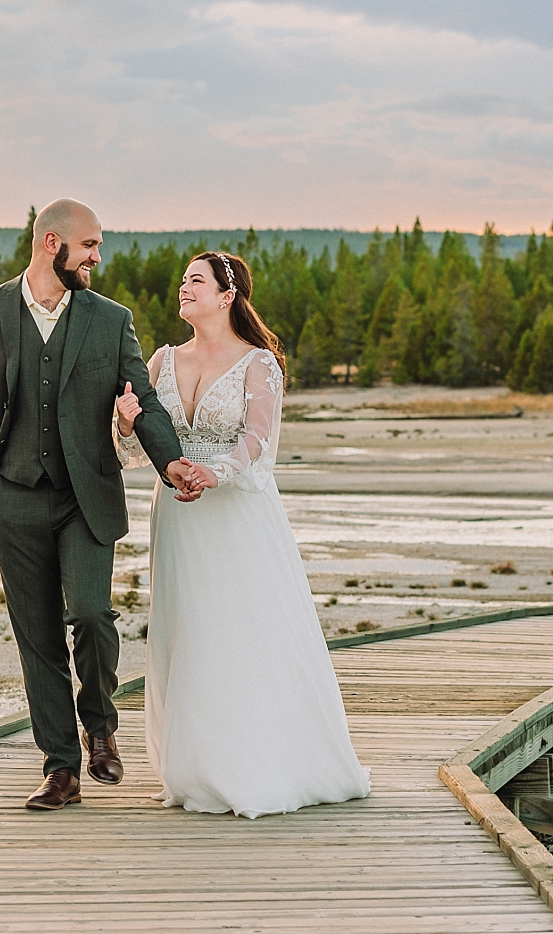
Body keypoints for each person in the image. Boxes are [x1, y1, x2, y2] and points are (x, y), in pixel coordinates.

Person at [0, 198, 199, 811]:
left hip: (85, 497)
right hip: (13, 498)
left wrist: (171, 463)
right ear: (51, 243)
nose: (96, 258)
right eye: (89, 247)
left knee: (89, 615)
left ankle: (101, 726)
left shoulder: (110, 320)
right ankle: (60, 769)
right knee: (36, 638)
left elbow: (144, 401)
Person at [115, 251, 371, 818]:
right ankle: (194, 768)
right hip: (177, 512)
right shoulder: (160, 360)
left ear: (227, 295)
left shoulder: (259, 363)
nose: (184, 288)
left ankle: (257, 762)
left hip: (235, 513)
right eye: (182, 280)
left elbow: (259, 442)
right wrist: (128, 424)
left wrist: (216, 472)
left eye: (196, 281)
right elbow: (133, 449)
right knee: (188, 631)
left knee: (241, 627)